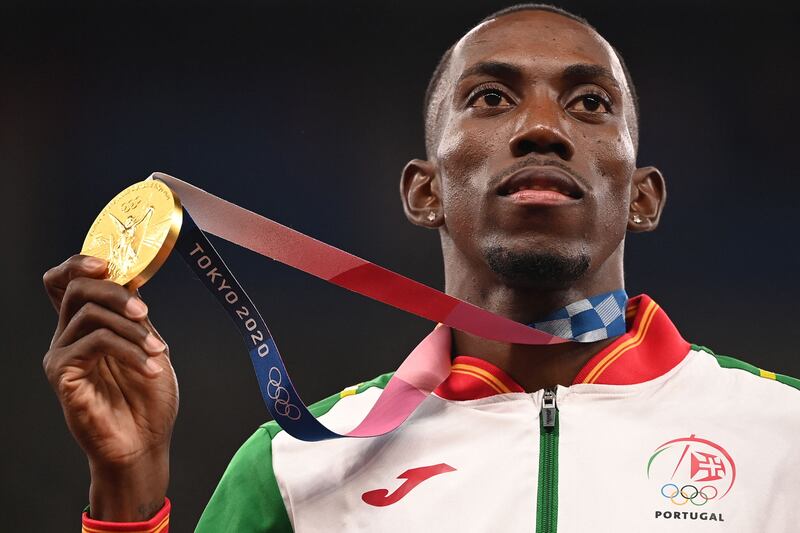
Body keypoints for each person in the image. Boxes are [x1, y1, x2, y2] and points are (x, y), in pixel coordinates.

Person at [42, 4, 800, 532]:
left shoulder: (783, 437)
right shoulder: (289, 473)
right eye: (492, 97)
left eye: (590, 103)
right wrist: (125, 494)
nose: (542, 128)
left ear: (643, 197)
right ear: (424, 190)